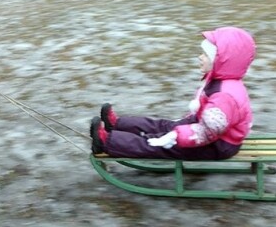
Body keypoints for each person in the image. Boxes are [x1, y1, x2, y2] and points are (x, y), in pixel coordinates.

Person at [90, 26, 256, 161]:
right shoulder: (224, 80)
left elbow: (207, 133)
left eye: (205, 54)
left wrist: (176, 136)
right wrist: (181, 125)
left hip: (216, 145)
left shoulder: (224, 96)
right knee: (162, 125)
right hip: (210, 131)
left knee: (158, 144)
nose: (200, 57)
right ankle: (119, 124)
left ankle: (108, 143)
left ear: (221, 60)